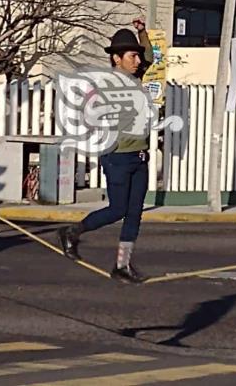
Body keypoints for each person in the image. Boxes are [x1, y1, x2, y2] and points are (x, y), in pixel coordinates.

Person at [57, 19, 154, 284]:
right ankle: (72, 232)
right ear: (116, 58)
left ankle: (122, 265)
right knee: (117, 209)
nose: (137, 61)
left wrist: (142, 33)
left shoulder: (136, 78)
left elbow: (150, 56)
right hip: (118, 156)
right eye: (132, 56)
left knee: (135, 212)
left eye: (137, 56)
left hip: (140, 156)